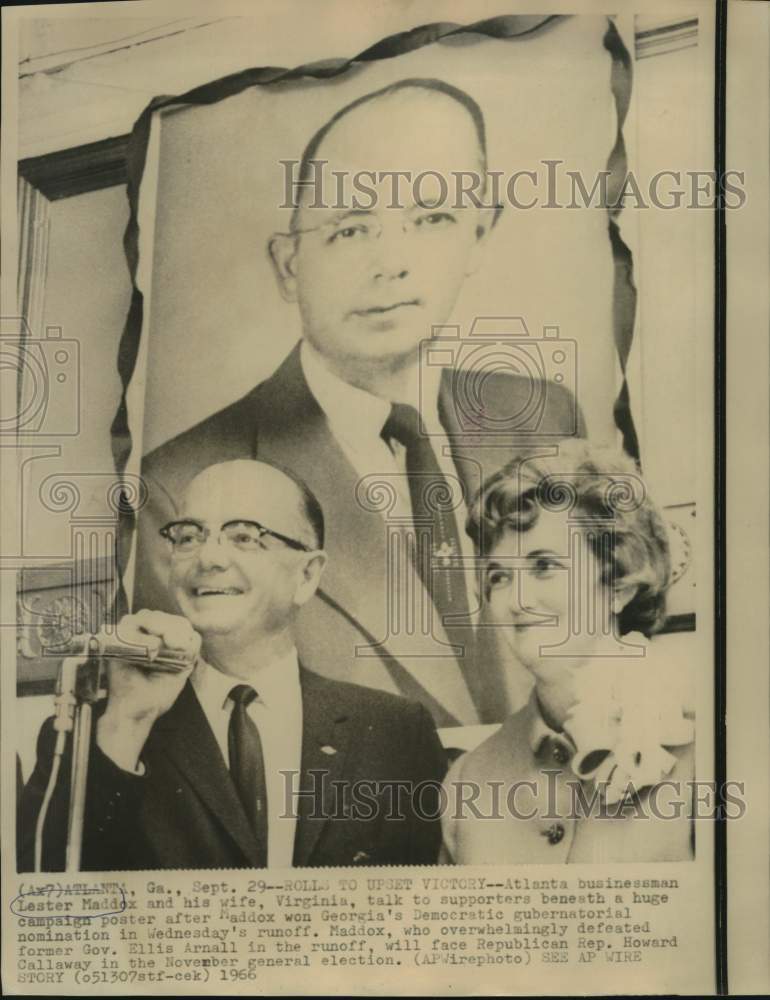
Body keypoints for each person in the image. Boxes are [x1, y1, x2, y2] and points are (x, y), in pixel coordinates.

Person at [134, 77, 582, 730]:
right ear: (290, 265)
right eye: (349, 229)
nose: (391, 263)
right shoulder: (178, 487)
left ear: (480, 237)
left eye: (432, 219)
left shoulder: (544, 420)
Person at [19, 460, 446, 872]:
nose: (208, 558)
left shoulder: (398, 732)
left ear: (307, 575)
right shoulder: (94, 729)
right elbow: (44, 896)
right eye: (188, 537)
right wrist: (129, 722)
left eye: (244, 537)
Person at [441, 440, 695, 864]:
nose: (516, 600)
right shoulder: (468, 778)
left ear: (619, 585)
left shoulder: (706, 744)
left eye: (543, 566)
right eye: (499, 576)